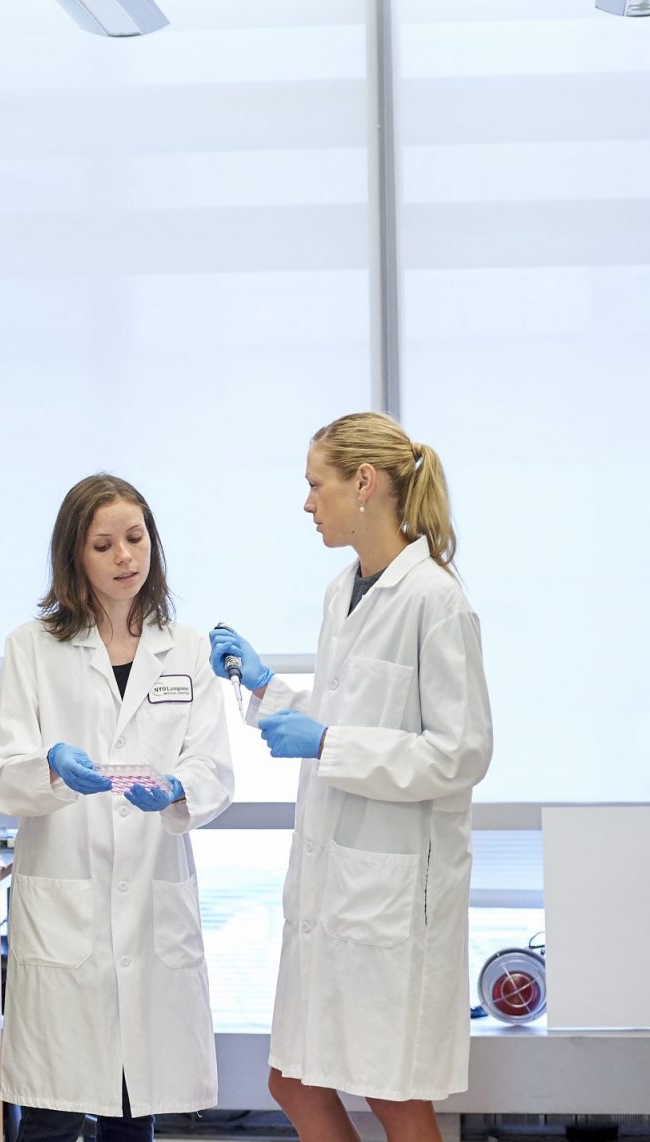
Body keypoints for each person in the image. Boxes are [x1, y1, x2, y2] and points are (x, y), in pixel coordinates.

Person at [209, 412, 493, 1142]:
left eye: (317, 485)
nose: (308, 503)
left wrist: (330, 742)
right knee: (294, 1079)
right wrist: (268, 686)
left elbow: (461, 752)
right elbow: (341, 714)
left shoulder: (435, 600)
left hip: (395, 899)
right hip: (339, 892)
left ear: (364, 484)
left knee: (393, 1095)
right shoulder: (345, 590)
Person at [0, 473, 234, 1142]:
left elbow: (213, 766)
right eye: (104, 544)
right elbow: (3, 777)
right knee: (51, 1113)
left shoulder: (186, 647)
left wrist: (177, 789)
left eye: (135, 538)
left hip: (152, 899)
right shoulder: (31, 647)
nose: (126, 557)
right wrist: (53, 770)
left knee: (133, 1108)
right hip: (67, 900)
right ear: (75, 557)